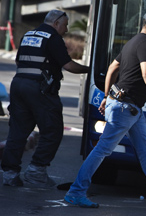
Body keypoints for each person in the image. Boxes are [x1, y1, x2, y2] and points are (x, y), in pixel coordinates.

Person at [64, 10, 146, 211]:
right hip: (125, 108)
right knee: (103, 149)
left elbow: (113, 68)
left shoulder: (133, 42)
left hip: (129, 107)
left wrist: (106, 96)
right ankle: (76, 192)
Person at [1, 10, 90, 188]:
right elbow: (69, 65)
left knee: (18, 132)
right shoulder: (53, 37)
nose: (66, 29)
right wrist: (91, 70)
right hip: (39, 89)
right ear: (56, 23)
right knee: (53, 130)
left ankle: (9, 174)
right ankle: (36, 172)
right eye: (65, 25)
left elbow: (20, 62)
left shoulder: (29, 35)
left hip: (18, 86)